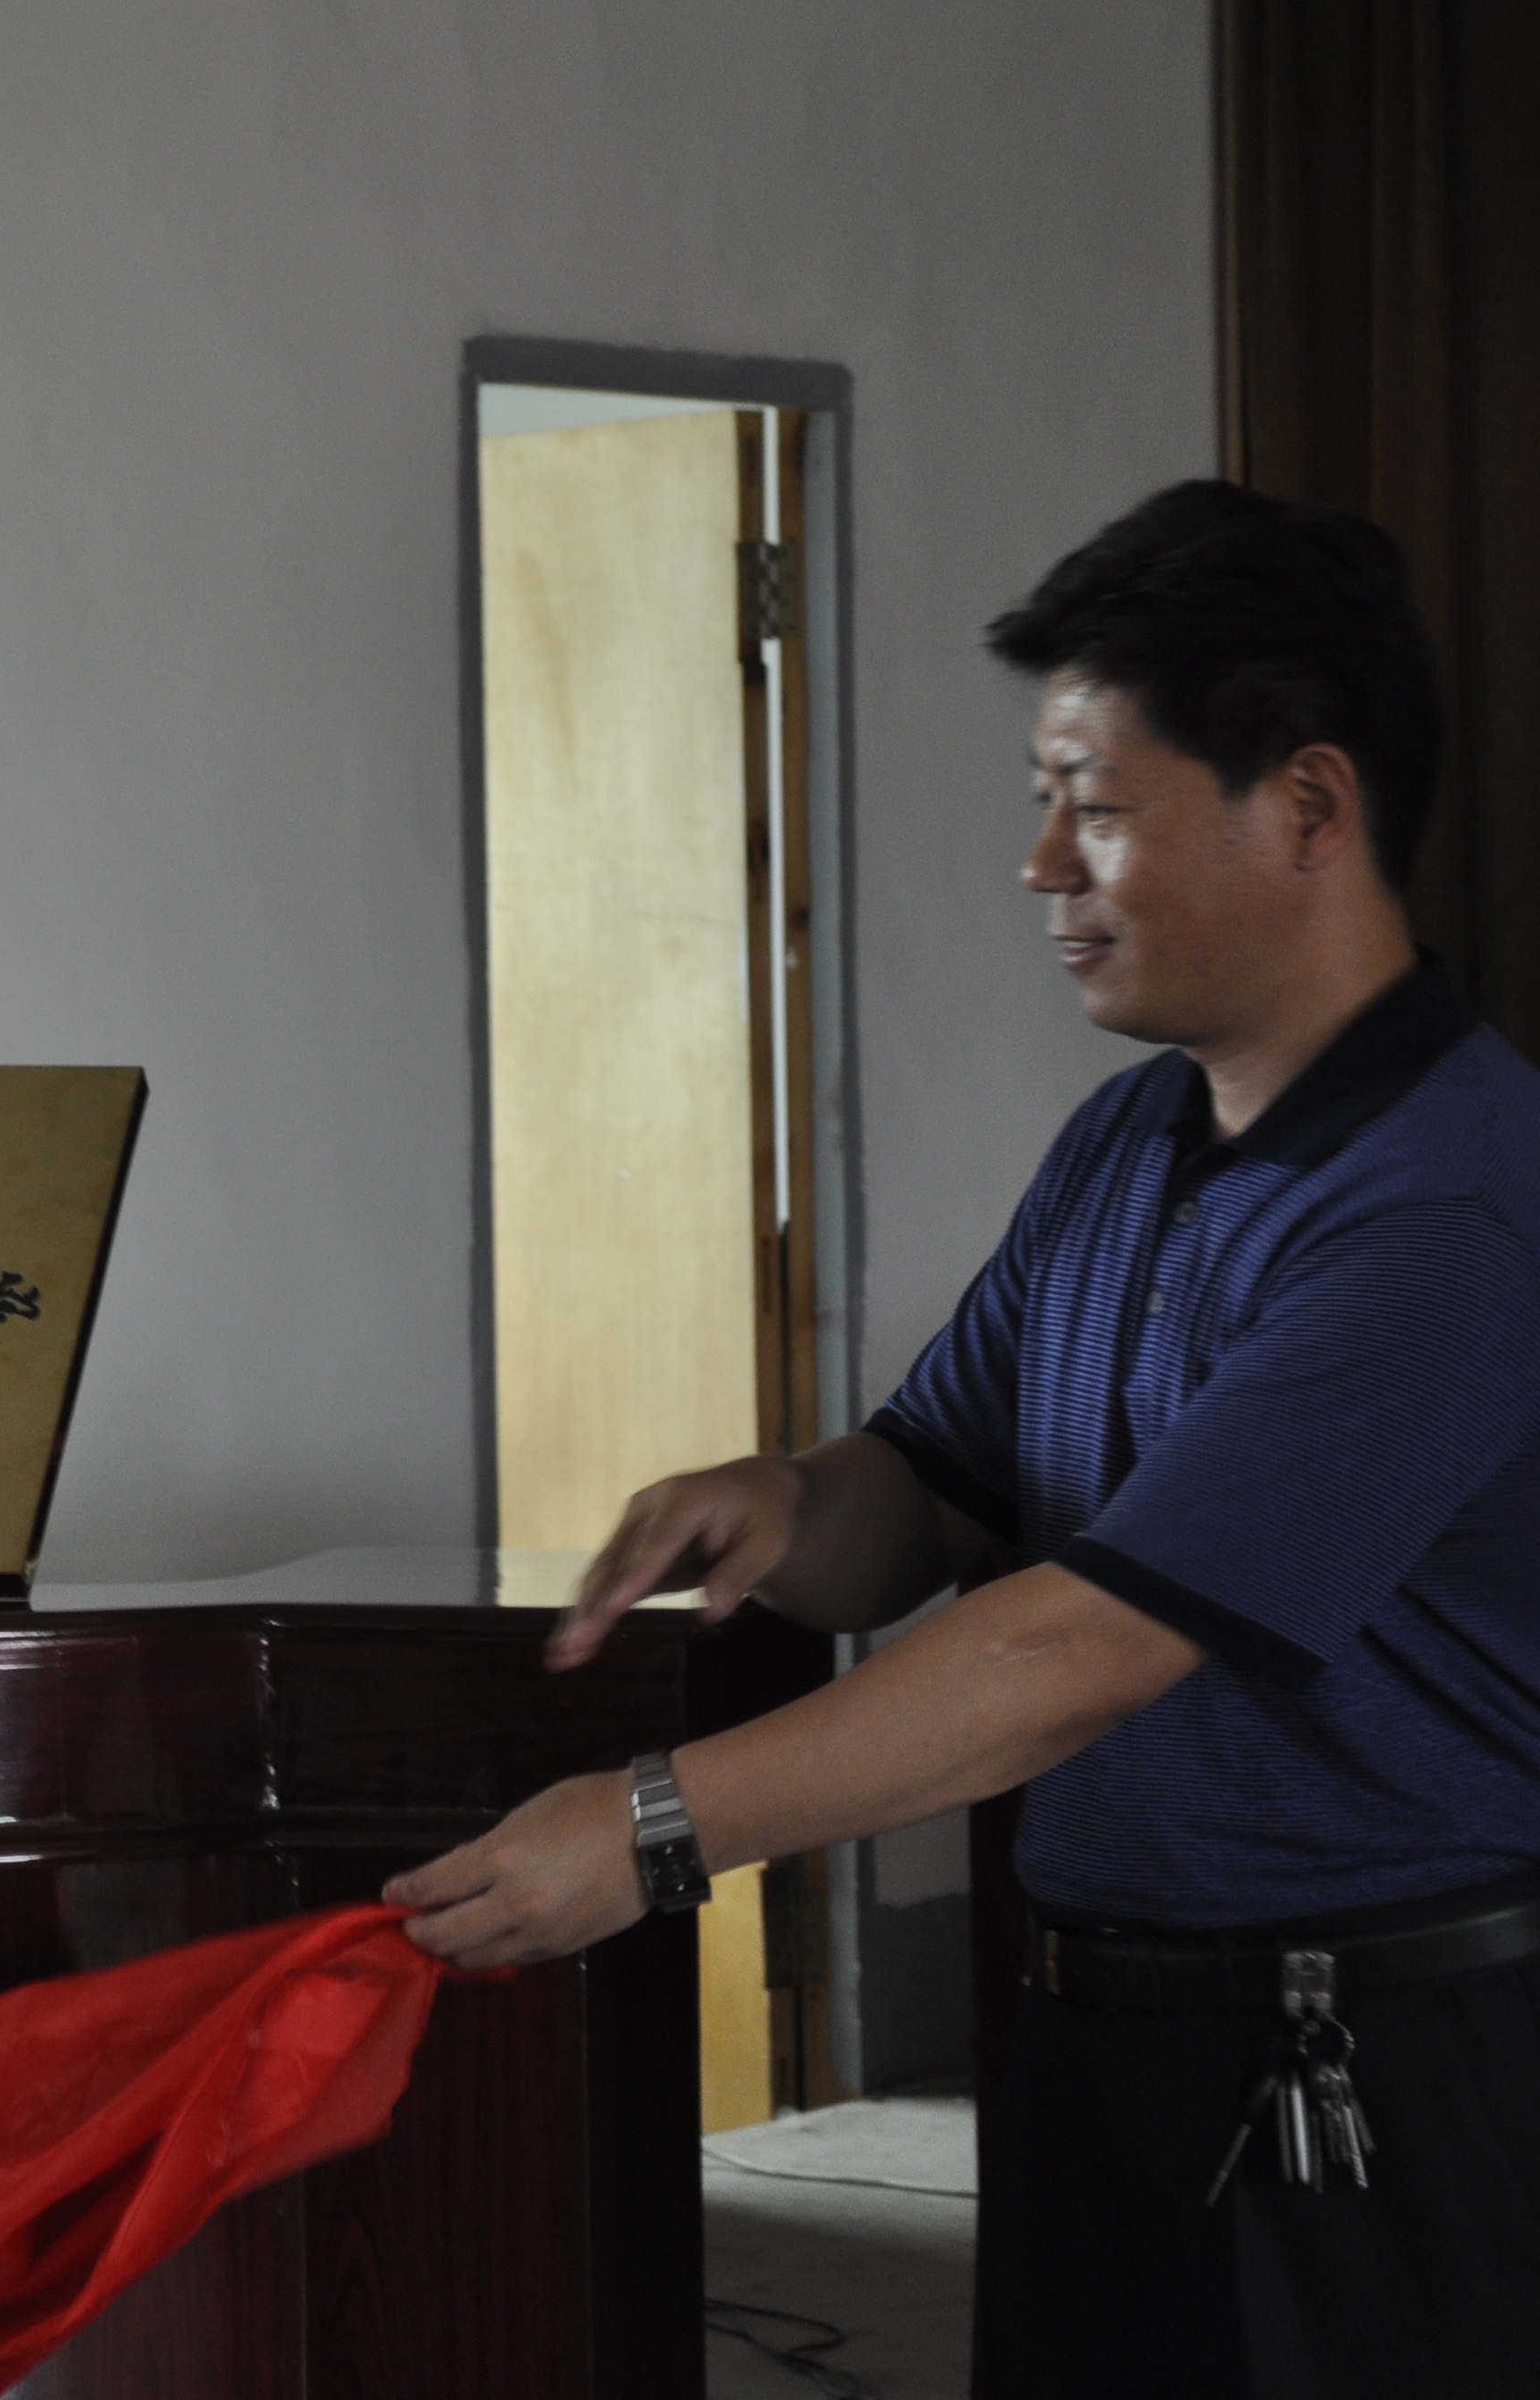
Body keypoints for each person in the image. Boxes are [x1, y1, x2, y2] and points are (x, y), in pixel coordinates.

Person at [387, 481, 1540, 2395]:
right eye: (1041, 798)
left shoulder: (1447, 1208)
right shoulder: (1129, 1139)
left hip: (1378, 2072)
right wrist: (777, 1504)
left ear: (1308, 807)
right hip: (1095, 2033)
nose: (1038, 861)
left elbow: (1073, 1648)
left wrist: (655, 1828)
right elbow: (929, 1490)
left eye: (1093, 804)